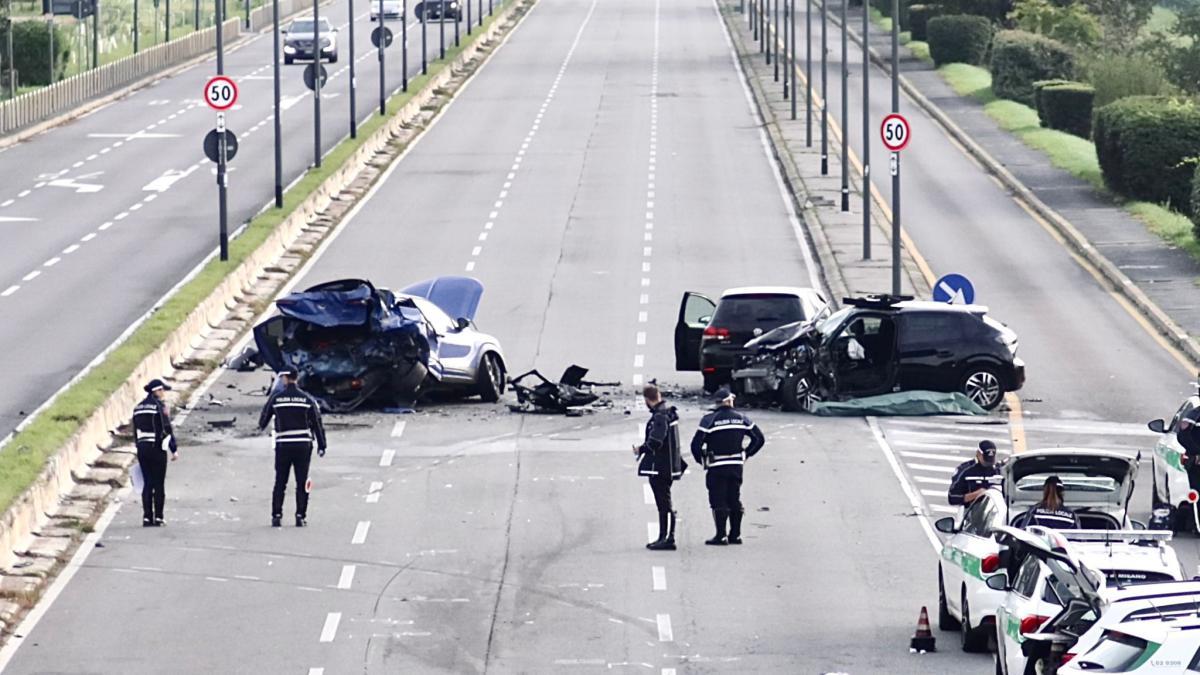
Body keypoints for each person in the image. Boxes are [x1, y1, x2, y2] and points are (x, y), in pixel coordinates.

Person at [690, 387, 765, 546]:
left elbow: (696, 445)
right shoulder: (742, 418)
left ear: (717, 403)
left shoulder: (709, 420)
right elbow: (759, 439)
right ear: (730, 401)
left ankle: (721, 535)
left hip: (717, 464)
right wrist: (746, 454)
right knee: (734, 497)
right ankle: (735, 535)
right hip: (736, 465)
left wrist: (702, 460)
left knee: (718, 499)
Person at [258, 368, 327, 527]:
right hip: (303, 445)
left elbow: (263, 420)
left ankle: (276, 515)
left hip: (283, 445)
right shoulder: (307, 399)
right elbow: (317, 423)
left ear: (286, 378)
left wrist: (263, 426)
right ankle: (300, 515)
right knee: (302, 481)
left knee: (280, 481)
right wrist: (322, 445)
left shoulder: (277, 398)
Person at [634, 383, 685, 551]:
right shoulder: (667, 413)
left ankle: (667, 538)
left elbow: (656, 441)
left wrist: (642, 449)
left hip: (660, 466)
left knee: (663, 503)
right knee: (664, 501)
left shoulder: (660, 416)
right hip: (668, 465)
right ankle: (664, 536)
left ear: (647, 400)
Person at [132, 378, 179, 527]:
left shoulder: (138, 408)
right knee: (158, 484)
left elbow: (135, 431)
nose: (163, 393)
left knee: (147, 483)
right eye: (162, 390)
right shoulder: (159, 407)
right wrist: (174, 449)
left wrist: (138, 447)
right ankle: (158, 517)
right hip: (157, 447)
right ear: (157, 391)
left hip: (142, 448)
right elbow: (166, 429)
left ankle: (147, 517)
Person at [947, 440, 1001, 506]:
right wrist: (976, 494)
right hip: (970, 511)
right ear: (978, 454)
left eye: (991, 460)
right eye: (986, 460)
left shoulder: (998, 470)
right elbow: (952, 498)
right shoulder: (965, 471)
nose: (988, 463)